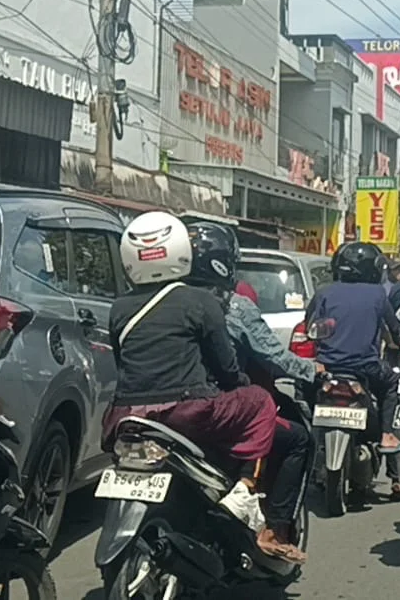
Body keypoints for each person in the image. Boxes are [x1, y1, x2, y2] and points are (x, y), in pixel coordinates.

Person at [102, 211, 302, 562]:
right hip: (188, 412)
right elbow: (227, 369)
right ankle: (244, 490)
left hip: (124, 418)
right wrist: (238, 389)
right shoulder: (204, 302)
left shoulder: (119, 307)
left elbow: (123, 362)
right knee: (259, 401)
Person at [188, 221, 313, 550]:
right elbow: (273, 357)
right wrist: (316, 371)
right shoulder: (233, 305)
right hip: (219, 408)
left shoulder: (161, 301)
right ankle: (274, 530)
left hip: (157, 408)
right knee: (298, 439)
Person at [306, 242, 400, 496]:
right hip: (366, 368)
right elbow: (393, 328)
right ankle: (387, 435)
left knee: (305, 397)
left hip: (326, 368)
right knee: (392, 384)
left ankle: (311, 449)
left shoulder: (324, 292)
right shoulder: (377, 295)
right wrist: (399, 341)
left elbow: (309, 324)